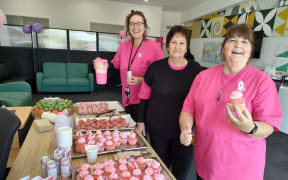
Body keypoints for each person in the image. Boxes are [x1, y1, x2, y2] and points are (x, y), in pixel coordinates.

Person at [179, 24, 282, 180]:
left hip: (241, 171)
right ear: (223, 47)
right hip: (205, 163)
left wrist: (251, 128)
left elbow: (268, 126)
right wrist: (185, 129)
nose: (238, 45)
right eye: (232, 40)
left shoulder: (262, 81)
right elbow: (188, 109)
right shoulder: (203, 77)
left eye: (245, 41)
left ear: (251, 50)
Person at [137, 25, 202, 180]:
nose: (177, 47)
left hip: (185, 131)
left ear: (187, 47)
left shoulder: (196, 70)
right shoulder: (155, 68)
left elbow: (201, 101)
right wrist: (140, 122)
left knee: (181, 172)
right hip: (158, 129)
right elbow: (144, 96)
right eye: (174, 42)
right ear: (167, 46)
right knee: (160, 170)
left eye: (181, 43)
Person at [110, 10, 164, 122]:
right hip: (127, 98)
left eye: (139, 23)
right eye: (132, 23)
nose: (135, 27)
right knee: (129, 132)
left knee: (140, 135)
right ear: (128, 27)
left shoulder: (154, 48)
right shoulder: (123, 47)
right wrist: (102, 65)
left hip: (144, 101)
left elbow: (162, 76)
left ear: (144, 27)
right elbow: (115, 65)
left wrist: (142, 80)